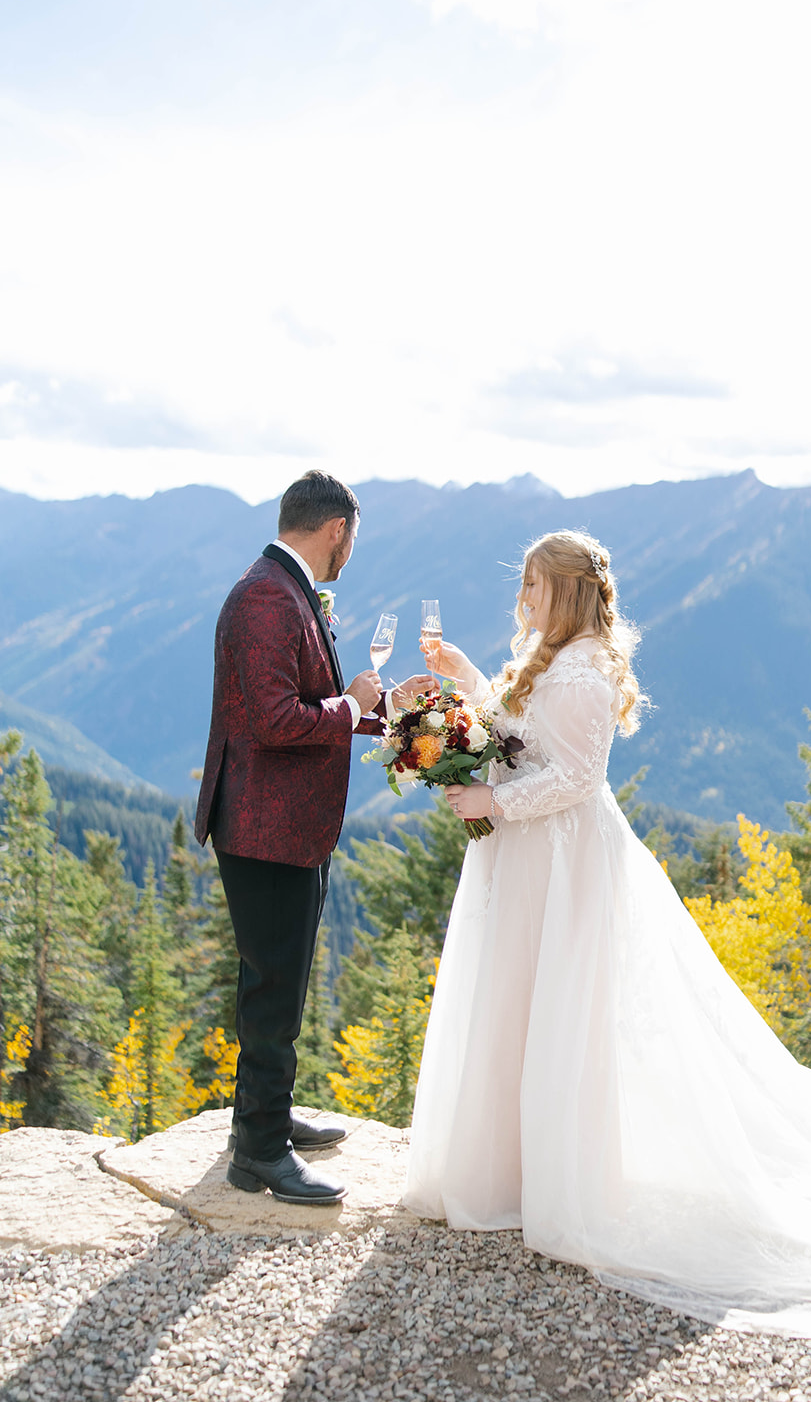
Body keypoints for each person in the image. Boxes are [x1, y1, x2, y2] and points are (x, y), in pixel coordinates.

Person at [403, 528, 811, 1335]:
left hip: (563, 862)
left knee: (562, 1013)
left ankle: (556, 1177)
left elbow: (576, 778)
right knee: (517, 1006)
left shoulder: (582, 668)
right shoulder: (553, 657)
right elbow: (517, 730)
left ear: (570, 592)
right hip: (528, 862)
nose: (525, 599)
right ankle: (509, 1171)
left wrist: (492, 804)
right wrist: (464, 679)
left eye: (536, 587)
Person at [195, 470, 433, 1204]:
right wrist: (350, 701)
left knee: (282, 983)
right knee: (272, 988)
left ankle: (262, 1115)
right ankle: (258, 1153)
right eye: (352, 540)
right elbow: (275, 721)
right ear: (338, 530)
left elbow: (305, 705)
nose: (349, 552)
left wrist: (381, 711)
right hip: (266, 828)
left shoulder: (281, 587)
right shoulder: (269, 596)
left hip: (287, 828)